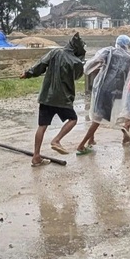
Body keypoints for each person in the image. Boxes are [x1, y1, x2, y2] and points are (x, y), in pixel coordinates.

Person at [20, 32, 86, 163]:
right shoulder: (77, 62)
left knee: (42, 126)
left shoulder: (55, 52)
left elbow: (40, 65)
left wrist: (28, 73)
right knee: (73, 119)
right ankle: (57, 140)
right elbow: (77, 76)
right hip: (63, 98)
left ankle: (36, 156)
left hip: (46, 97)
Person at [76, 35, 130, 153]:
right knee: (100, 117)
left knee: (98, 114)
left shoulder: (109, 52)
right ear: (126, 45)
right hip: (116, 91)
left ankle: (91, 140)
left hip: (102, 87)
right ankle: (82, 145)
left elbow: (91, 65)